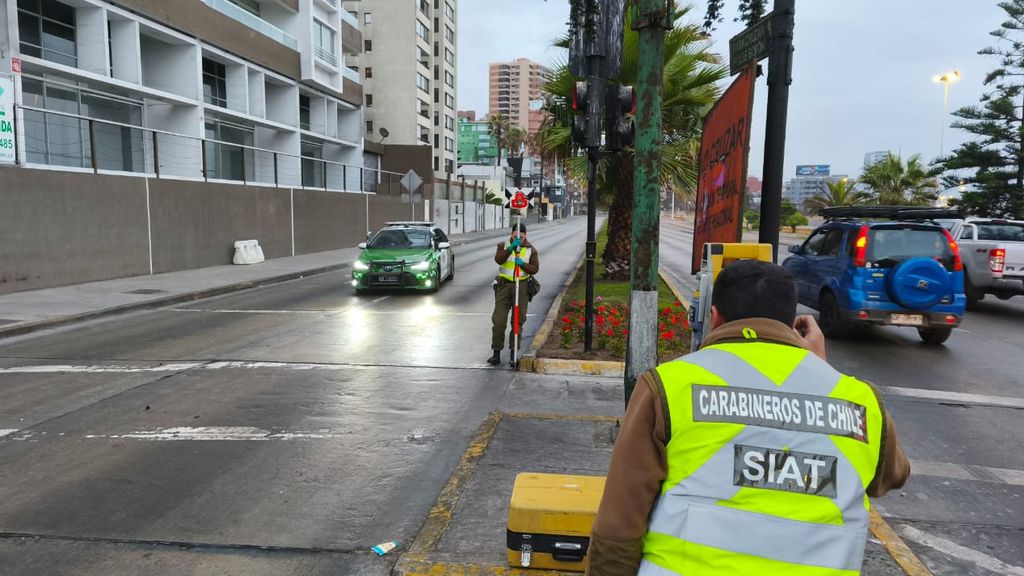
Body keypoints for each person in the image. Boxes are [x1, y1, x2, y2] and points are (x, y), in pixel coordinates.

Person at [585, 259, 910, 576]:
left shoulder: (668, 386)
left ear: (713, 317)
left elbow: (620, 524)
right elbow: (891, 475)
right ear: (793, 322)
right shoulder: (859, 400)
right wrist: (820, 368)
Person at [488, 223, 539, 366]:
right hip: (504, 286)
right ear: (511, 235)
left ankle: (513, 354)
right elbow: (499, 260)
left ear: (525, 235)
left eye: (521, 236)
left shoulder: (531, 250)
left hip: (521, 287)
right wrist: (510, 249)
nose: (518, 238)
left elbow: (535, 269)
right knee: (498, 321)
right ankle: (496, 353)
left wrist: (522, 264)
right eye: (515, 236)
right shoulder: (503, 245)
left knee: (517, 322)